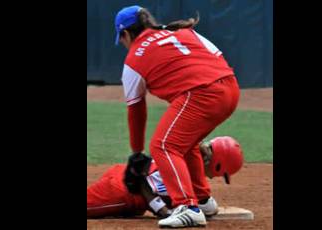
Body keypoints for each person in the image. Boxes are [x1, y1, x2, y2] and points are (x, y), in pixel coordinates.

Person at [114, 5, 240, 228]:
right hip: (230, 88)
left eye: (121, 38)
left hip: (201, 94)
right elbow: (217, 56)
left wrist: (136, 152)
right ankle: (202, 200)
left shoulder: (133, 59)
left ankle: (187, 206)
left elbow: (136, 110)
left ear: (125, 34)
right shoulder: (184, 31)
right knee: (185, 143)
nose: (123, 44)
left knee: (163, 145)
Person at [87, 136, 243, 223]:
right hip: (123, 191)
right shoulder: (188, 169)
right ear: (216, 164)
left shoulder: (190, 155)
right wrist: (164, 211)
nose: (216, 177)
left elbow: (207, 205)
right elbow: (143, 181)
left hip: (126, 178)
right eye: (221, 173)